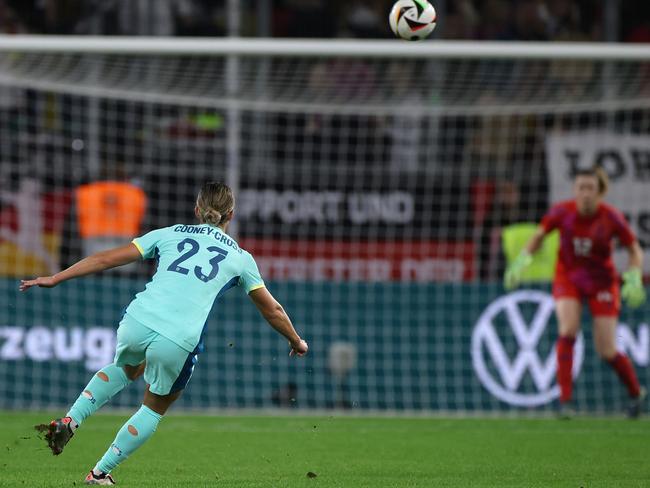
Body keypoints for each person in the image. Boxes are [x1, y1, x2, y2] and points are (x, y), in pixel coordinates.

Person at [20, 182, 308, 485]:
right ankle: (99, 473)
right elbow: (272, 310)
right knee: (154, 406)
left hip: (137, 319)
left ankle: (70, 420)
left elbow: (105, 259)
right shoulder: (240, 258)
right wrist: (295, 340)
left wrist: (56, 277)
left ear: (197, 210)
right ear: (231, 215)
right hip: (178, 337)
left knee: (127, 368)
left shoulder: (168, 233)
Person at [504, 167, 646, 418]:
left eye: (590, 188)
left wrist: (633, 276)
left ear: (599, 192)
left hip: (601, 282)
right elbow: (539, 235)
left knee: (607, 349)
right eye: (581, 187)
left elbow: (634, 249)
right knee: (568, 329)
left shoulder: (610, 217)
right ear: (574, 190)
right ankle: (565, 401)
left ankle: (636, 393)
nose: (585, 193)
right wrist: (521, 260)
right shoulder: (562, 212)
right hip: (568, 277)